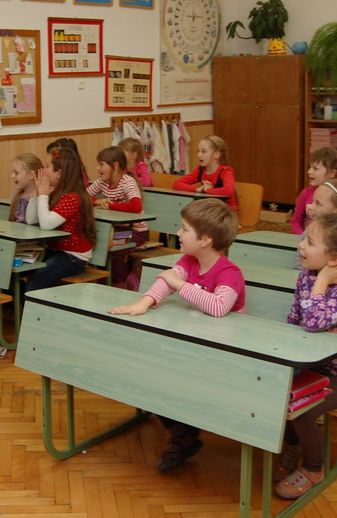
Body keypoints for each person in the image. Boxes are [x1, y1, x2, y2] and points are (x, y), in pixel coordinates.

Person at [109, 199, 244, 473]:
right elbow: (166, 282)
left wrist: (179, 284)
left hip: (225, 353)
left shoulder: (230, 273)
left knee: (170, 376)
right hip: (196, 345)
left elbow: (219, 307)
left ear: (205, 240)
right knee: (150, 371)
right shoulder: (189, 261)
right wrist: (144, 302)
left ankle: (184, 434)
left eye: (184, 229)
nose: (178, 233)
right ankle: (182, 435)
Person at [275, 213, 337, 499]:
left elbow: (314, 323)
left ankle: (313, 468)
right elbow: (295, 321)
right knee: (280, 391)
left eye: (309, 242)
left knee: (304, 410)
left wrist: (321, 282)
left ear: (334, 259)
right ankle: (294, 445)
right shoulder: (305, 277)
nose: (301, 245)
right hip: (312, 365)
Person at [26, 148, 96, 291]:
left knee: (36, 282)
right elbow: (31, 220)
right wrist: (36, 193)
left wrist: (43, 196)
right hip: (56, 250)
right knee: (22, 272)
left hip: (74, 256)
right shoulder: (55, 191)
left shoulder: (72, 198)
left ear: (59, 173)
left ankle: (34, 305)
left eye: (47, 166)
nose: (43, 170)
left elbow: (46, 224)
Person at [88, 146, 147, 287]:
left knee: (113, 246)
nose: (98, 168)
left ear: (115, 165)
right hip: (115, 230)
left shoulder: (127, 182)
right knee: (97, 242)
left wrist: (110, 205)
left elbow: (136, 206)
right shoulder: (102, 181)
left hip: (135, 232)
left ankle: (120, 281)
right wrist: (97, 201)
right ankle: (104, 280)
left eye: (101, 164)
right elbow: (83, 196)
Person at [172, 135, 237, 211]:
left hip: (226, 212)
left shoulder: (226, 171)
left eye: (203, 151)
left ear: (216, 154)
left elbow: (228, 191)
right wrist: (197, 189)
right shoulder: (200, 170)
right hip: (210, 210)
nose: (199, 155)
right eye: (198, 151)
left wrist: (208, 190)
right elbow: (177, 184)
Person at [290, 148, 337, 234]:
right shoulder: (306, 192)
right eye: (310, 167)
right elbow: (295, 222)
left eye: (315, 168)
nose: (309, 171)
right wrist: (304, 236)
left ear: (332, 173)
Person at [9, 153, 43, 224]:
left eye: (16, 173)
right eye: (12, 172)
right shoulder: (16, 195)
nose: (12, 176)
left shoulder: (42, 198)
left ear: (31, 175)